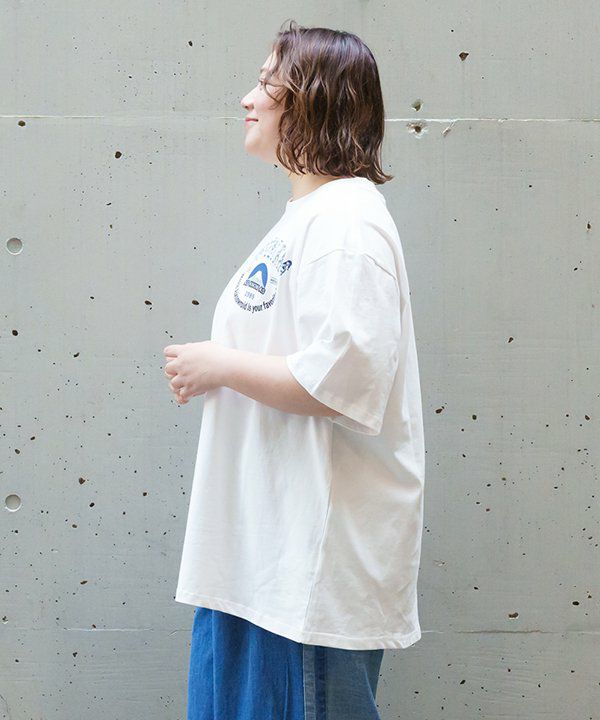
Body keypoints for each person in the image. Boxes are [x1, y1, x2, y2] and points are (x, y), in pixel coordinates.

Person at [163, 19, 425, 720]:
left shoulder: (348, 225)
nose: (247, 99)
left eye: (265, 84)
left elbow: (343, 378)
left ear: (311, 100)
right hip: (256, 566)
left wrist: (219, 364)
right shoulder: (308, 219)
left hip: (303, 582)